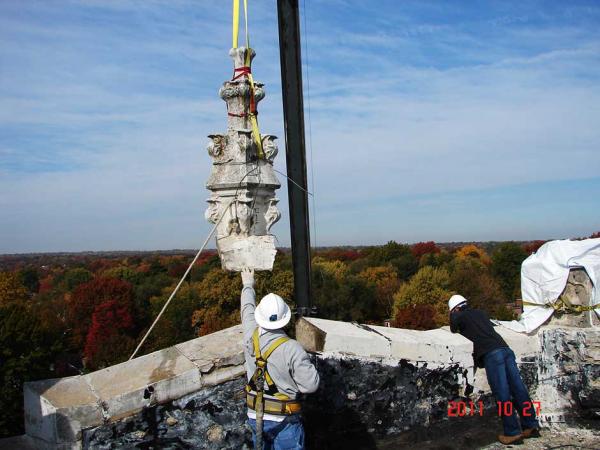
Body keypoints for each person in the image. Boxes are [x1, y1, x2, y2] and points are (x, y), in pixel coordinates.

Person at [240, 268, 320, 450]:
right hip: (285, 421)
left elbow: (247, 309)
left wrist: (247, 285)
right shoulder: (292, 348)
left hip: (255, 415)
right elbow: (310, 385)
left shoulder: (250, 336)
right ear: (285, 318)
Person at [448, 294, 540, 445]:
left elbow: (452, 327)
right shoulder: (480, 313)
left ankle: (512, 432)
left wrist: (453, 314)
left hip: (492, 355)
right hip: (506, 350)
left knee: (502, 393)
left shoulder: (460, 316)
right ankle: (530, 424)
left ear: (456, 309)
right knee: (518, 390)